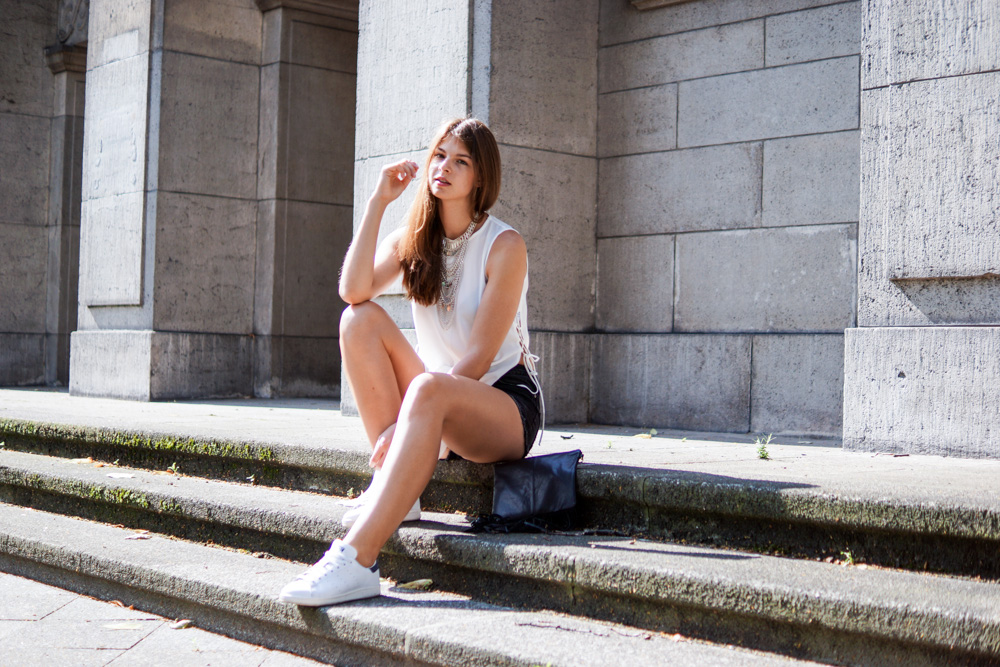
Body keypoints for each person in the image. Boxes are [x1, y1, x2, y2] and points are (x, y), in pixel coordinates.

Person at [278, 118, 542, 606]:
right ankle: (401, 489)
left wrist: (405, 425)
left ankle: (356, 561)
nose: (443, 166)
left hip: (502, 404)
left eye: (460, 160)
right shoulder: (415, 238)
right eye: (439, 154)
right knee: (358, 320)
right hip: (435, 400)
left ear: (480, 178)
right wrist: (378, 202)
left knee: (428, 388)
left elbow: (480, 358)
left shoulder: (505, 245)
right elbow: (352, 290)